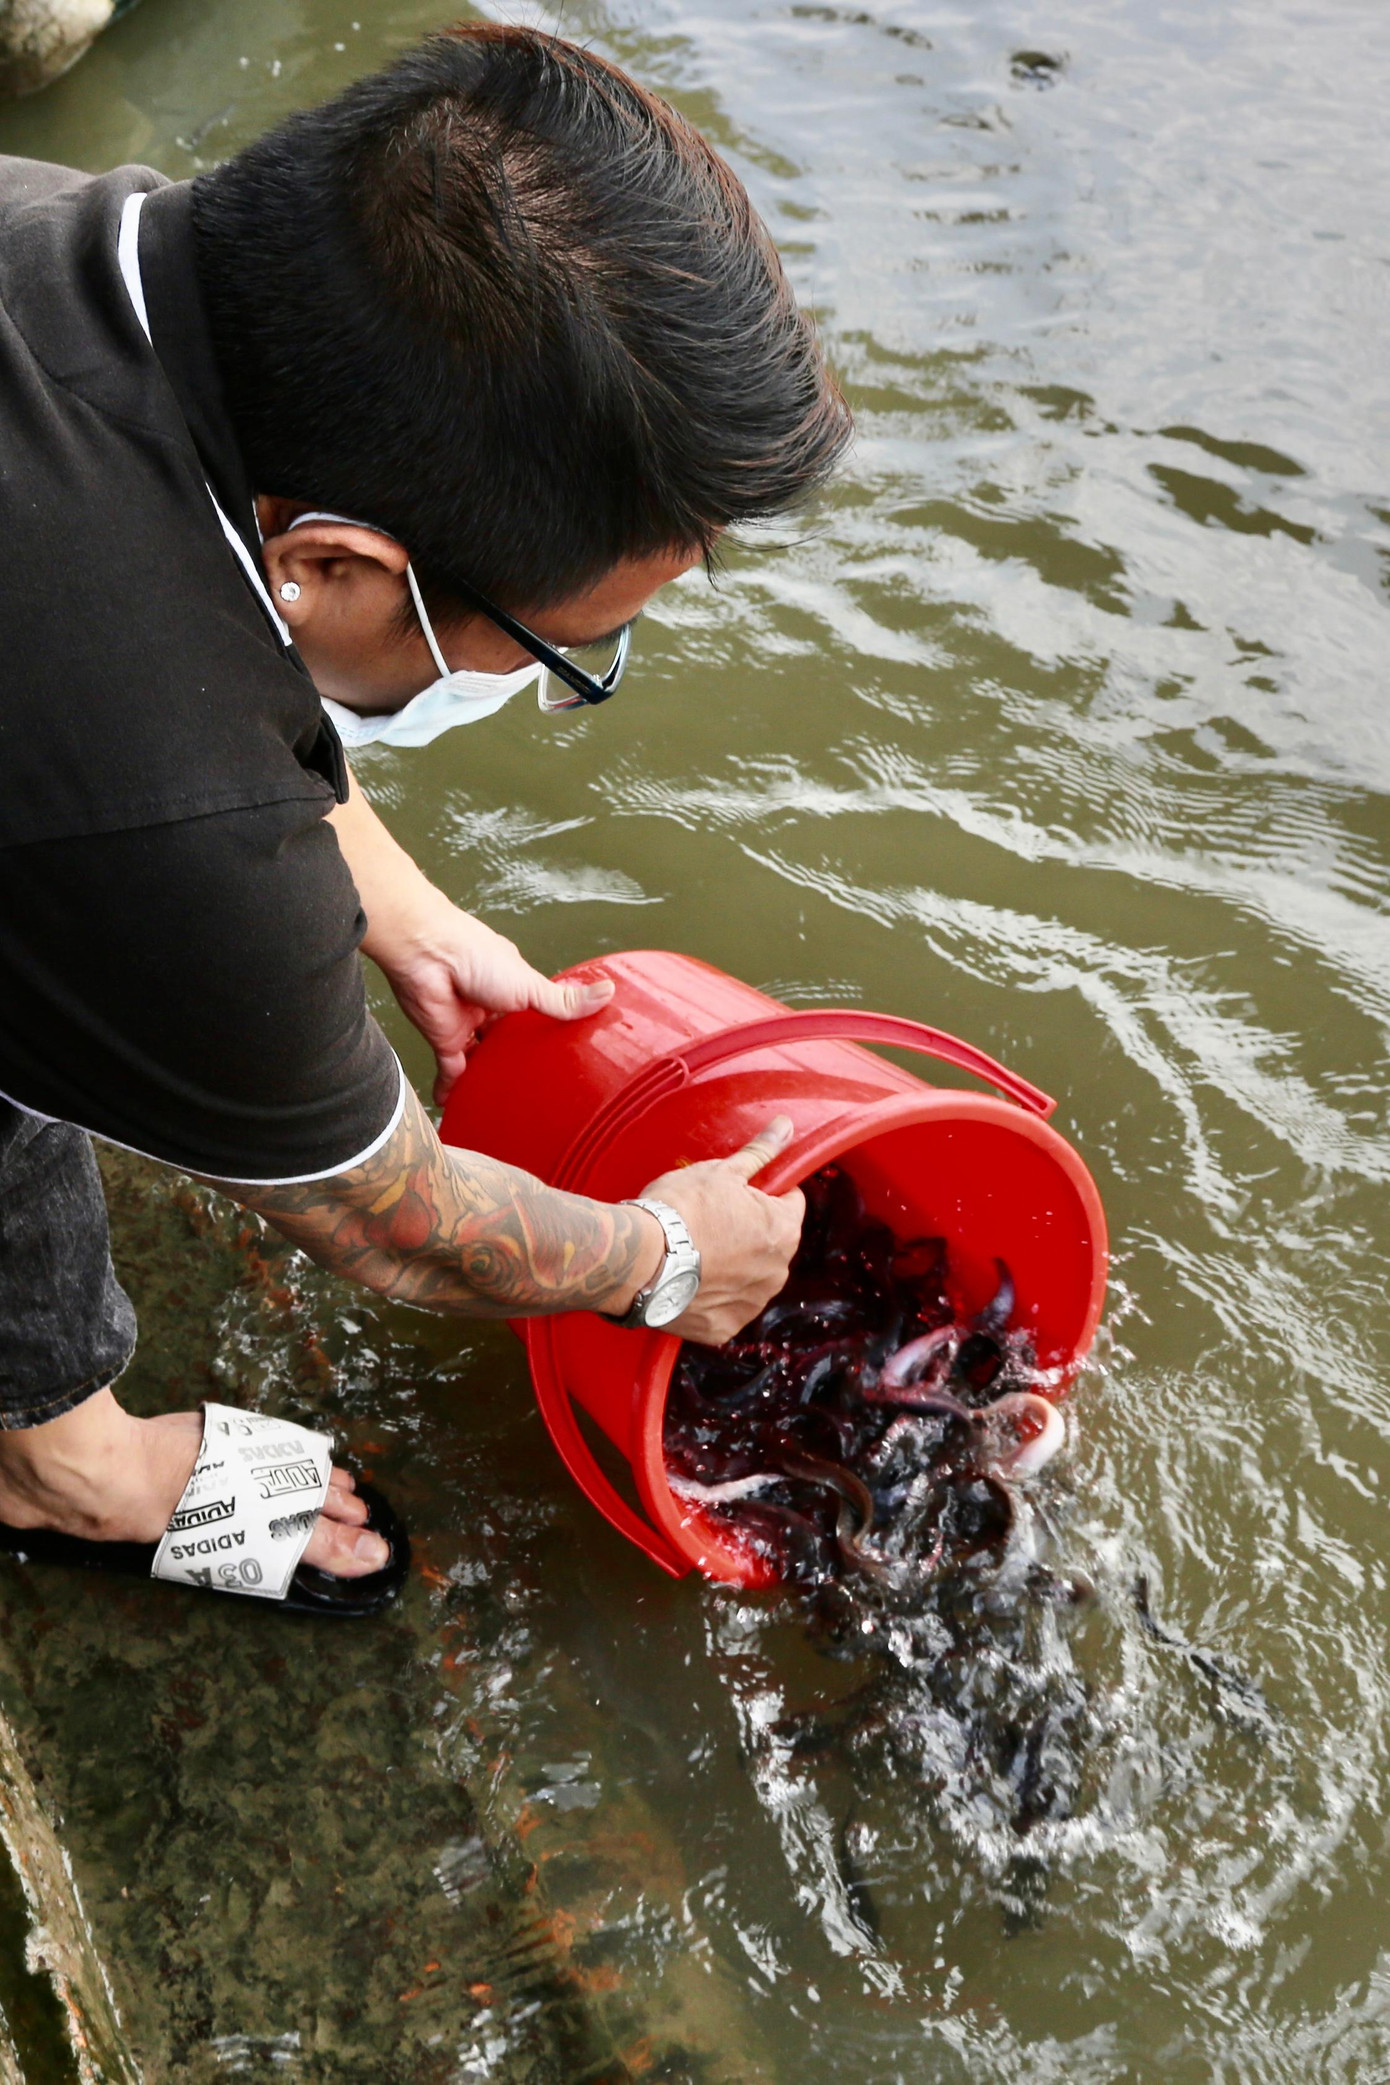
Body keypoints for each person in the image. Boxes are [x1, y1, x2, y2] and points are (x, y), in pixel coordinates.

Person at [0, 24, 851, 1612]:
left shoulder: (62, 227)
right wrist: (666, 1260)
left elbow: (165, 650)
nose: (553, 679)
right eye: (554, 648)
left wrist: (396, 896)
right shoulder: (165, 826)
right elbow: (389, 1218)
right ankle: (55, 1470)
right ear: (329, 563)